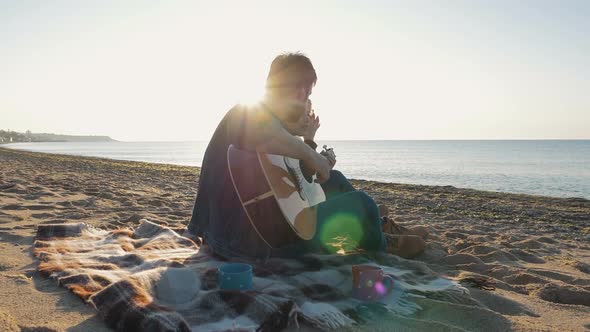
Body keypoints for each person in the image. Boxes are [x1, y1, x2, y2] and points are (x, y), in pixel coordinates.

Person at [186, 52, 426, 260]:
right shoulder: (245, 111)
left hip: (261, 220)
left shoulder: (268, 121)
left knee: (336, 179)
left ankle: (378, 227)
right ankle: (381, 245)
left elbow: (292, 180)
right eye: (295, 85)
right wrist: (313, 156)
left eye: (307, 90)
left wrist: (309, 141)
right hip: (244, 242)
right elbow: (263, 136)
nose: (302, 95)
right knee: (363, 203)